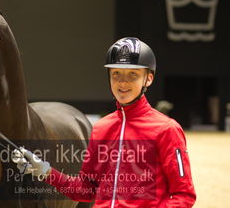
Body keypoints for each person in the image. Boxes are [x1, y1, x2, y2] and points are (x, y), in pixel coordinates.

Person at [13, 37, 196, 207]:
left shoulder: (167, 129)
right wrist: (44, 171)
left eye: (132, 74)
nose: (122, 83)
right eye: (116, 73)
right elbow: (85, 189)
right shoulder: (101, 128)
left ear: (148, 78)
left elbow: (184, 195)